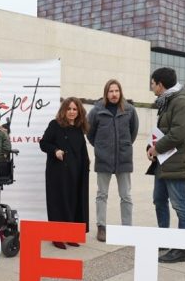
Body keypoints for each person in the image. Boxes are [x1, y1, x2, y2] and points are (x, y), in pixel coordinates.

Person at [146, 67, 185, 263]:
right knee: (159, 200)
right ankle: (164, 239)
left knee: (180, 206)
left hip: (177, 162)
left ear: (160, 84)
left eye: (152, 84)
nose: (152, 87)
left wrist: (157, 148)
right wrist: (151, 146)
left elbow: (178, 134)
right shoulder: (168, 100)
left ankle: (180, 249)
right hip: (165, 161)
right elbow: (164, 129)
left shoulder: (182, 101)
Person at [87, 79, 138, 241]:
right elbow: (89, 132)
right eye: (111, 91)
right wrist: (100, 147)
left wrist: (124, 145)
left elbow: (133, 132)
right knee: (102, 194)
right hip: (103, 159)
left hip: (123, 159)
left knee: (126, 195)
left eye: (116, 91)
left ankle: (127, 228)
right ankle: (101, 227)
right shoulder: (97, 110)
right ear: (106, 93)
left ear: (120, 92)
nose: (114, 94)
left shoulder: (129, 110)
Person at [40, 97, 90, 250]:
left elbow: (81, 149)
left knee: (73, 202)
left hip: (76, 171)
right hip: (58, 171)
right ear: (64, 110)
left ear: (79, 111)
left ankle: (70, 235)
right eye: (69, 109)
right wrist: (55, 151)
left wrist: (86, 163)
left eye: (75, 109)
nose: (72, 112)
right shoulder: (55, 125)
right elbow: (44, 143)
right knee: (58, 202)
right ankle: (57, 236)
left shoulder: (79, 128)